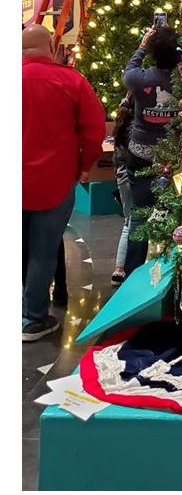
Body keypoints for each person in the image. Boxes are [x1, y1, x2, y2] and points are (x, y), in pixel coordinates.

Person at [22, 25, 106, 341]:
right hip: (55, 181)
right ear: (51, 45)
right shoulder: (72, 81)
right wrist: (84, 167)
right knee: (43, 251)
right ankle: (32, 319)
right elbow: (94, 131)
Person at [122, 27, 181, 275]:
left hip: (140, 153)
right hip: (172, 157)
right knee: (174, 215)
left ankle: (132, 273)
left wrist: (142, 47)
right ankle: (169, 272)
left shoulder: (140, 79)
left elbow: (128, 71)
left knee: (139, 216)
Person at [110, 94, 134, 286]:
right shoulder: (137, 127)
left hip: (122, 175)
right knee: (134, 221)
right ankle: (128, 267)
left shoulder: (122, 124)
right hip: (134, 176)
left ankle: (119, 267)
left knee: (128, 221)